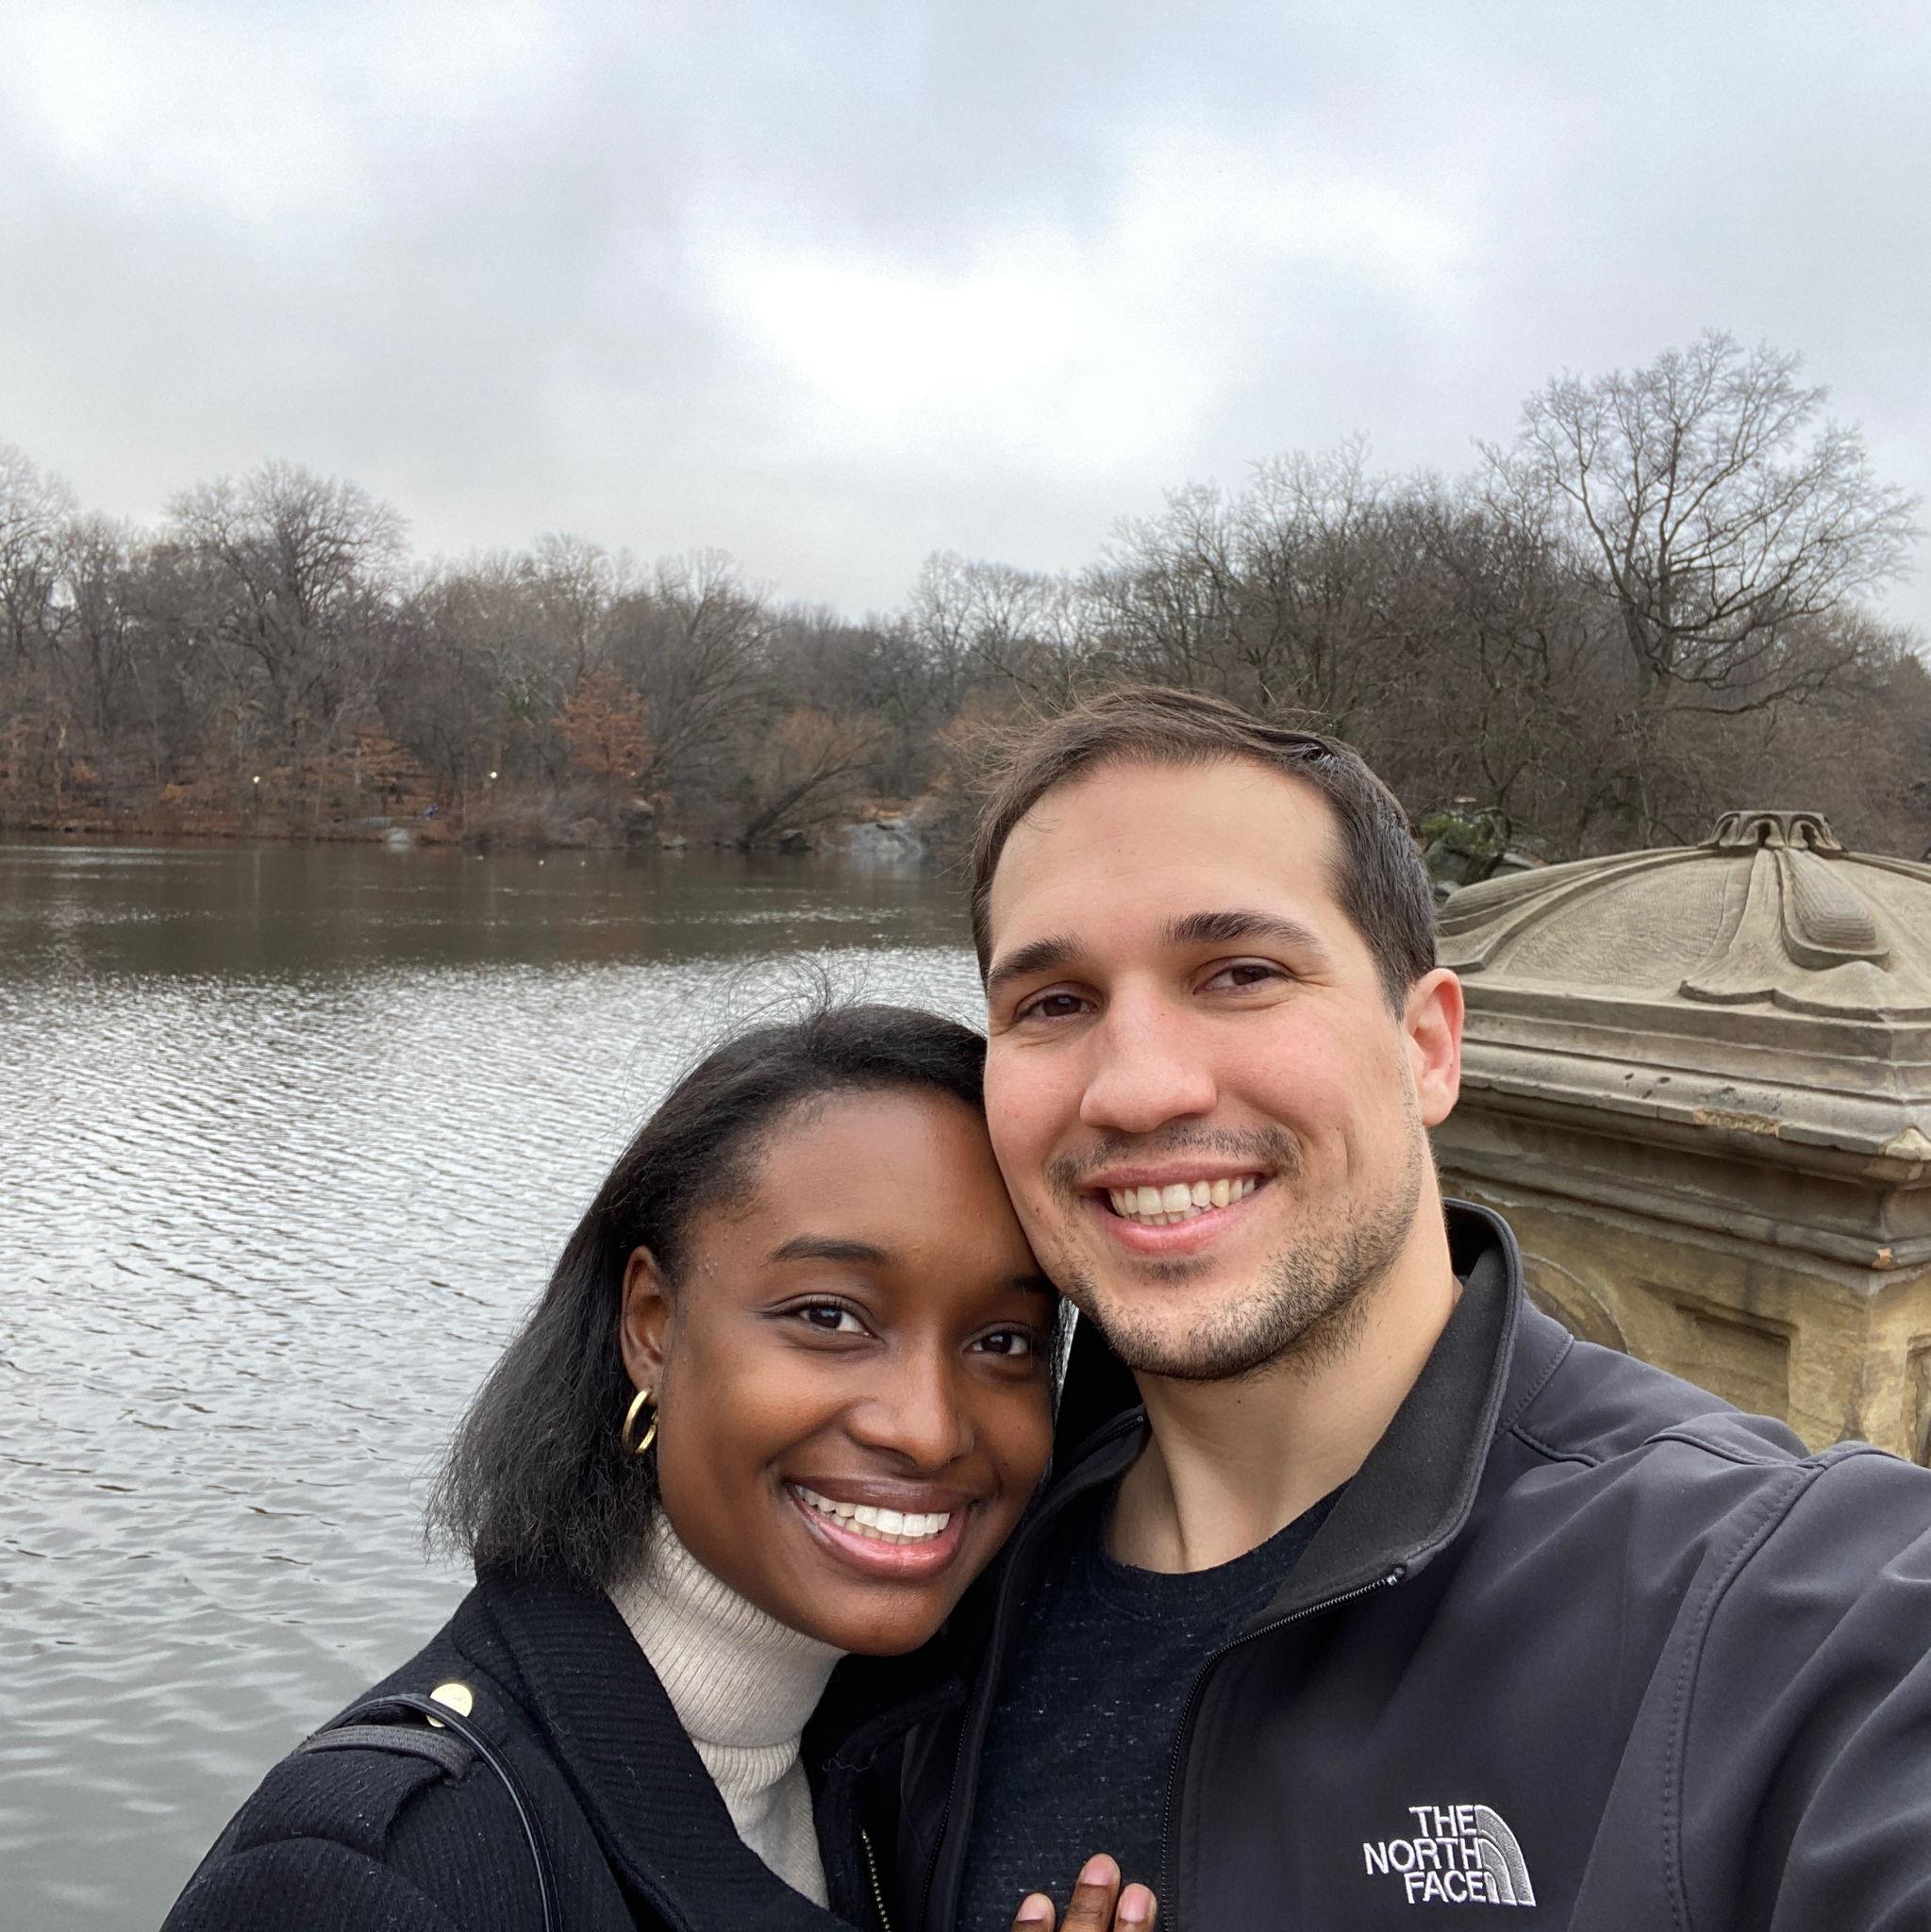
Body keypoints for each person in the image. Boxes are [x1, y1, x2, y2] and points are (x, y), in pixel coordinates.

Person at [888, 687, 1931, 1932]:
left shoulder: (1769, 1600)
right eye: (1053, 1002)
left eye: (1239, 973)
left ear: (1427, 1047)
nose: (1137, 1089)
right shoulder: (952, 1561)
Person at [162, 1003, 1157, 1932]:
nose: (929, 1429)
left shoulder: (893, 1763)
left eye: (1003, 1340)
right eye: (828, 1316)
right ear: (652, 1324)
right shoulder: (372, 1877)